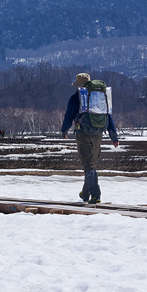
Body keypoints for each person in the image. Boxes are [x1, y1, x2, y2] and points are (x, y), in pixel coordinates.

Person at [61, 72, 118, 204]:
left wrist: (64, 131)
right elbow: (108, 116)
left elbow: (68, 116)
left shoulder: (75, 98)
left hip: (83, 134)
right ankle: (85, 194)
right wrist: (113, 136)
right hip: (98, 134)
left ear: (79, 85)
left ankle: (96, 195)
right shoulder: (99, 98)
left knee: (89, 166)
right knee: (91, 164)